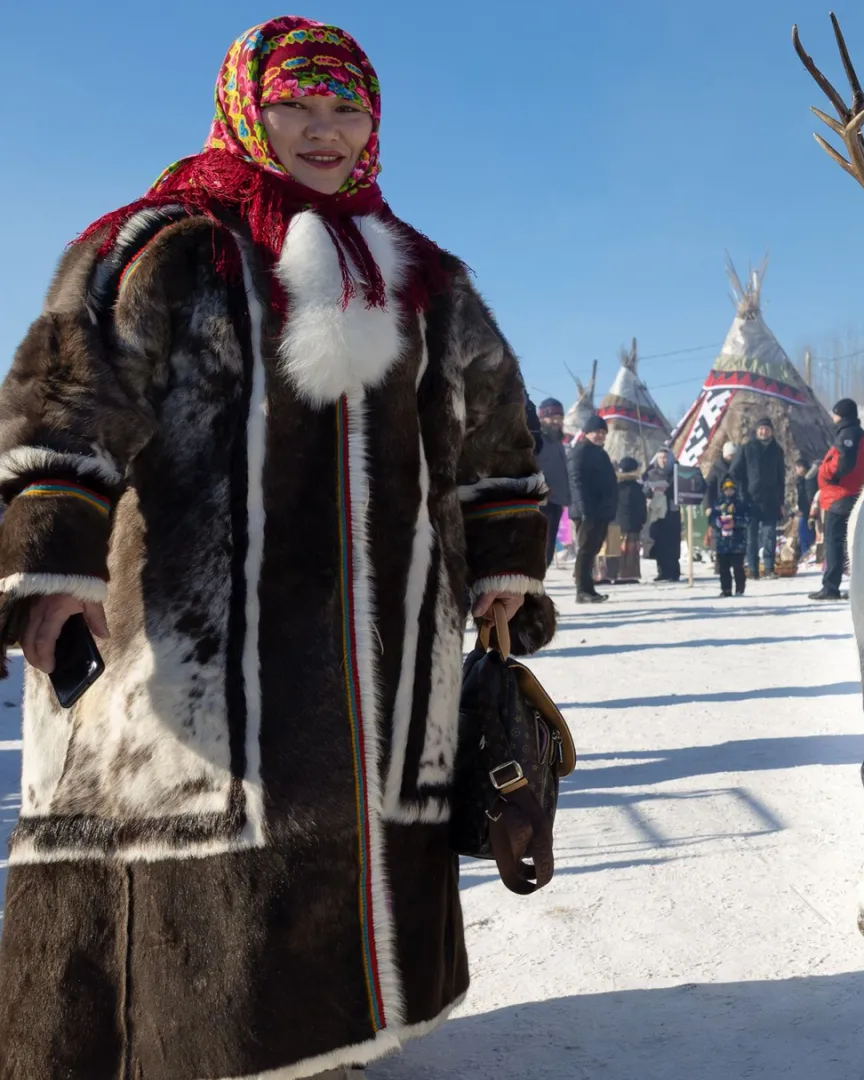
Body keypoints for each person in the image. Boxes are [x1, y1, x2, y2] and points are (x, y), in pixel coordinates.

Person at [0, 18, 555, 1078]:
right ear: (249, 106)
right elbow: (68, 400)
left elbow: (492, 429)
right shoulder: (165, 246)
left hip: (386, 651)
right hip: (193, 635)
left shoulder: (424, 278)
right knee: (198, 883)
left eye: (348, 109)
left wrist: (499, 569)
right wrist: (51, 571)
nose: (325, 131)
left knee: (346, 851)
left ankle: (333, 1046)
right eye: (299, 104)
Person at [811, 398, 864, 601]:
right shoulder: (857, 434)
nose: (833, 417)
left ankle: (831, 587)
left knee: (834, 543)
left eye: (835, 413)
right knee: (853, 543)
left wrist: (827, 473)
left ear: (841, 414)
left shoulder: (848, 434)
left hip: (841, 496)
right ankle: (858, 586)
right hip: (850, 494)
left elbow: (842, 463)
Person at [568, 413, 618, 603]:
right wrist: (584, 509)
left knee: (593, 550)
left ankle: (588, 588)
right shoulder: (580, 452)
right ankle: (582, 590)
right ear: (587, 433)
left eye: (603, 433)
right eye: (596, 432)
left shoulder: (600, 453)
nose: (600, 436)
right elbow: (576, 482)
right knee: (586, 550)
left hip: (601, 511)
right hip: (587, 510)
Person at [737, 418, 787, 578]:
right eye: (761, 429)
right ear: (756, 430)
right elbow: (736, 472)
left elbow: (781, 477)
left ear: (771, 431)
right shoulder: (747, 448)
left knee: (770, 536)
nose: (763, 431)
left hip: (771, 499)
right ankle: (752, 569)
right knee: (751, 537)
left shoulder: (777, 450)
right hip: (751, 499)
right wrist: (741, 494)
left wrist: (781, 499)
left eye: (767, 429)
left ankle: (769, 568)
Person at [536, 398, 574, 568]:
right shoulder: (536, 440)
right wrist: (542, 487)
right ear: (542, 418)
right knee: (539, 549)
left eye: (559, 417)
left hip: (557, 501)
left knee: (548, 549)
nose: (556, 421)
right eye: (552, 417)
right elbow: (527, 466)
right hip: (540, 502)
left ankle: (536, 588)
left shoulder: (557, 440)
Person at [707, 476, 754, 596]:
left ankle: (740, 588)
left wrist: (735, 522)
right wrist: (718, 522)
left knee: (738, 567)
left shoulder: (741, 504)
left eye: (731, 489)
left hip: (737, 541)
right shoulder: (718, 504)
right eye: (726, 489)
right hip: (722, 542)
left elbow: (748, 519)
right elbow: (711, 519)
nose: (729, 491)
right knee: (723, 568)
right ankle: (726, 589)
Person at [644, 448, 683, 582]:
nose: (663, 460)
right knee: (658, 541)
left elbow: (683, 489)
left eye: (665, 458)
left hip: (672, 510)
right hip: (657, 511)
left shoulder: (677, 472)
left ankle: (673, 571)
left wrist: (668, 489)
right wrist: (651, 489)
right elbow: (645, 490)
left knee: (672, 541)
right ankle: (662, 571)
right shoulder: (652, 473)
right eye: (660, 458)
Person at [613, 455, 650, 585]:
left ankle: (615, 573)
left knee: (616, 551)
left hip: (615, 522)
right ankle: (628, 575)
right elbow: (640, 507)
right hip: (631, 524)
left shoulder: (615, 486)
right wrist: (643, 520)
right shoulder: (635, 488)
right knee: (630, 553)